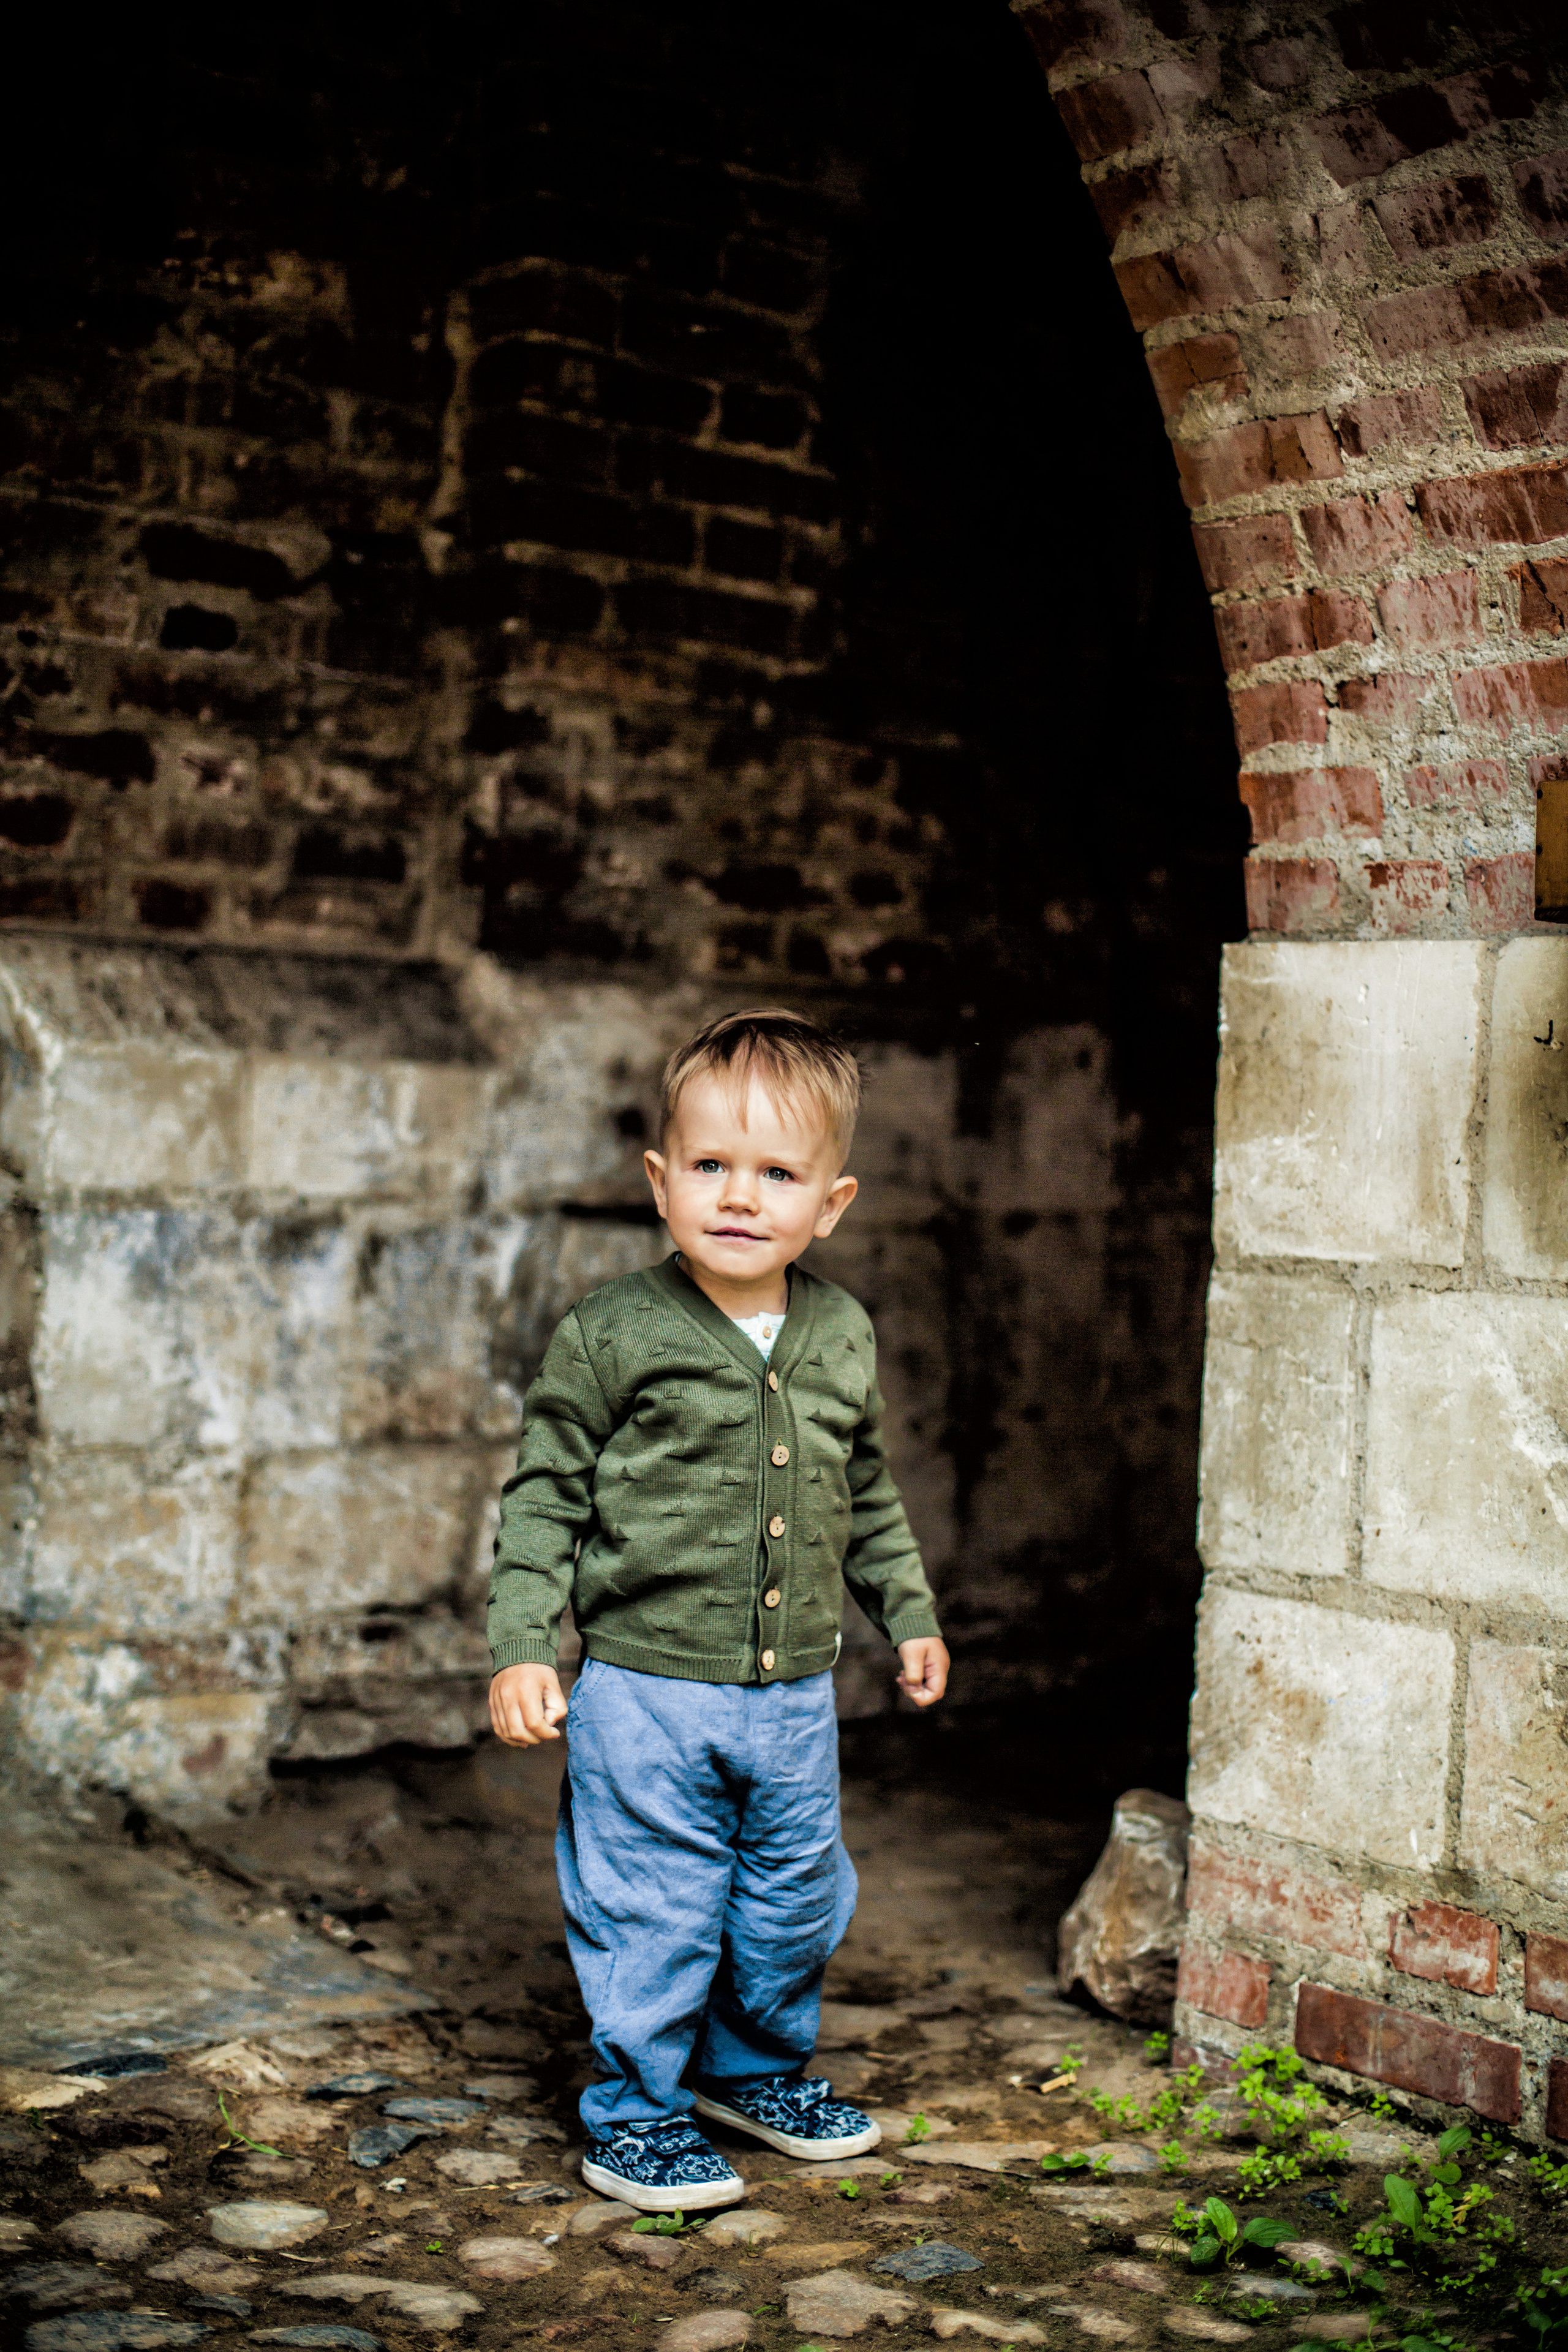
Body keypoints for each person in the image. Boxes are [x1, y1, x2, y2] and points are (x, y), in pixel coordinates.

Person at [486, 1007, 949, 2212]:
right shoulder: (611, 1336)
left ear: (830, 1204)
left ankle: (749, 2071)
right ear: (659, 1179)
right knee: (653, 1902)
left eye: (776, 1174)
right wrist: (522, 1647)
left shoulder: (839, 1332)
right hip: (642, 1694)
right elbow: (541, 1502)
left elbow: (864, 1490)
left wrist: (908, 1613)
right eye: (709, 1166)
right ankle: (634, 2112)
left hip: (791, 1696)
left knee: (796, 1893)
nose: (739, 1197)